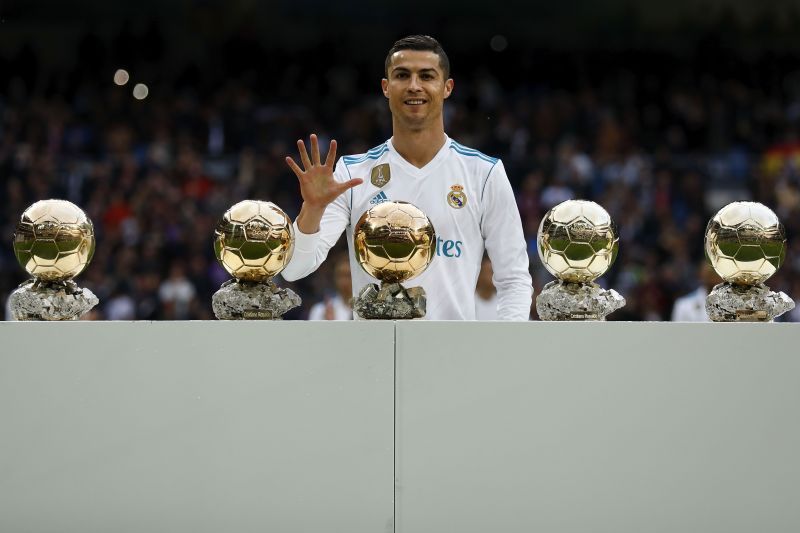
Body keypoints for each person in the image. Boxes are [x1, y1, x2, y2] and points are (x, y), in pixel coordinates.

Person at [281, 35, 532, 320]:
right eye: (402, 75)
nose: (414, 85)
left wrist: (506, 356)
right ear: (386, 87)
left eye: (427, 76)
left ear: (447, 87)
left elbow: (514, 280)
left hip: (453, 358)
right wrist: (312, 210)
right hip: (373, 357)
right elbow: (294, 269)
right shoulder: (352, 173)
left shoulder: (483, 173)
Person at [308, 255, 353, 320]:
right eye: (340, 275)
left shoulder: (366, 310)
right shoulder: (320, 310)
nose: (344, 281)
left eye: (348, 276)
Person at [474, 255, 498, 320]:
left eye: (494, 273)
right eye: (490, 272)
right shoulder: (469, 301)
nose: (494, 276)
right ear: (479, 275)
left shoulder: (503, 303)